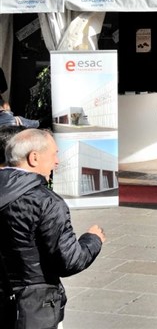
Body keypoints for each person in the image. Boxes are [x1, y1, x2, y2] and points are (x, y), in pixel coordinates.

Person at [0, 129, 105, 329]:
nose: (57, 162)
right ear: (34, 157)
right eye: (54, 154)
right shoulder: (47, 202)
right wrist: (92, 240)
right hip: (34, 307)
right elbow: (69, 261)